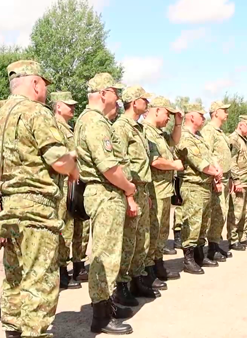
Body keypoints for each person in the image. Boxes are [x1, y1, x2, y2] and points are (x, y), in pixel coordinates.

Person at [0, 60, 80, 338]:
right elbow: (58, 160)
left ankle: (13, 329)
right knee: (40, 278)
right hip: (35, 209)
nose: (46, 91)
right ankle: (34, 333)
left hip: (6, 208)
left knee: (15, 275)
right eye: (44, 84)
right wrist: (73, 167)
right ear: (35, 83)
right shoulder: (36, 113)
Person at [74, 72, 134, 334]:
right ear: (103, 94)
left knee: (109, 252)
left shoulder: (92, 120)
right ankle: (100, 314)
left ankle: (105, 304)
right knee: (105, 255)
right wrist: (129, 187)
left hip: (105, 193)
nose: (118, 97)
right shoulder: (95, 123)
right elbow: (109, 167)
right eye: (115, 92)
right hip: (105, 193)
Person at [112, 85, 162, 305]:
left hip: (142, 188)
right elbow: (120, 163)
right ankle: (121, 285)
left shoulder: (138, 128)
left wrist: (144, 193)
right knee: (129, 240)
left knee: (142, 239)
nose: (148, 104)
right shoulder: (121, 127)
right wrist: (129, 196)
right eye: (144, 100)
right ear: (134, 102)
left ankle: (136, 279)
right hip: (130, 189)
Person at [175, 103, 223, 274]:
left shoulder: (199, 136)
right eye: (200, 115)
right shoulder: (185, 137)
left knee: (203, 222)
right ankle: (188, 260)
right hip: (193, 186)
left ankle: (199, 255)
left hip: (204, 185)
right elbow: (198, 162)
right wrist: (215, 173)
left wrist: (216, 170)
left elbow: (210, 156)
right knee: (192, 223)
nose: (203, 118)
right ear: (191, 117)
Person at [143, 96, 183, 281]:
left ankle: (158, 264)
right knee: (153, 229)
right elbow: (154, 160)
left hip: (164, 190)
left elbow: (174, 141)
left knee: (161, 230)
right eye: (167, 114)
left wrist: (178, 124)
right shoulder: (146, 132)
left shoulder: (159, 133)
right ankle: (149, 269)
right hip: (154, 190)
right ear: (156, 111)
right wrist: (174, 165)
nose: (168, 118)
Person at [49, 91, 83, 290]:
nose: (73, 108)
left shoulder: (67, 128)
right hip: (60, 184)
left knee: (70, 226)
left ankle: (66, 268)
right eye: (68, 105)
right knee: (62, 227)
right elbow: (58, 156)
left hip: (69, 183)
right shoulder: (54, 127)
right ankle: (60, 271)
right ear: (58, 106)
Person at [202, 101, 234, 262]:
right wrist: (215, 175)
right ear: (215, 113)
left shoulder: (220, 132)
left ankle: (215, 243)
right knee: (216, 211)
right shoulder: (209, 131)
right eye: (224, 110)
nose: (227, 113)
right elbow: (207, 153)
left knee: (222, 211)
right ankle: (211, 247)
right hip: (216, 177)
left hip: (226, 177)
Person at [227, 115, 247, 251]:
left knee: (246, 210)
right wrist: (236, 180)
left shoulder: (244, 139)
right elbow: (231, 162)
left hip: (246, 181)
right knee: (236, 212)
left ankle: (242, 237)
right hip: (239, 181)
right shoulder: (234, 139)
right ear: (241, 125)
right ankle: (233, 239)